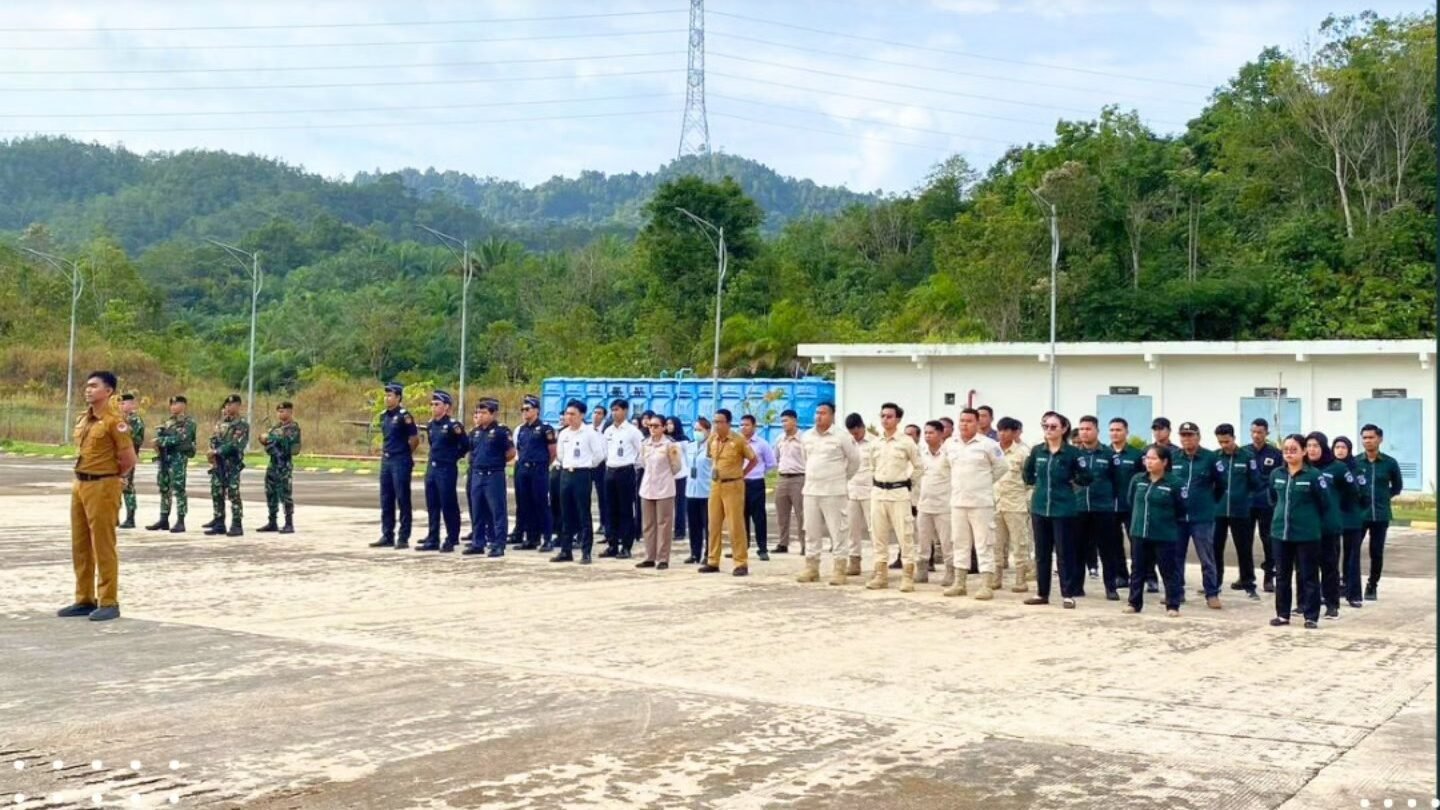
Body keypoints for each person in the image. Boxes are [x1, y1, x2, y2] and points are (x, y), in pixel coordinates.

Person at [57, 371, 138, 622]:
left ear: (108, 391)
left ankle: (109, 600)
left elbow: (129, 459)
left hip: (103, 485)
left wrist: (114, 480)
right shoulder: (85, 419)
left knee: (102, 544)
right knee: (80, 545)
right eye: (87, 386)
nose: (88, 390)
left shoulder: (115, 422)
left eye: (94, 386)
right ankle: (84, 598)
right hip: (80, 484)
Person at [1022, 411, 1093, 609]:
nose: (1049, 430)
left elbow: (1086, 477)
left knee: (1064, 553)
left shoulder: (1072, 453)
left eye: (1053, 427)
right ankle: (1041, 593)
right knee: (1042, 553)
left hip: (1063, 509)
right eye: (1046, 426)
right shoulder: (1038, 451)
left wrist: (1072, 483)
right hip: (1040, 507)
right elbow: (1027, 474)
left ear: (1063, 429)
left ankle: (1068, 594)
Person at [942, 407, 1006, 599]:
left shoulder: (988, 444)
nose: (964, 424)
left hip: (981, 503)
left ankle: (986, 584)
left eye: (969, 421)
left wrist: (983, 483)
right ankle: (959, 583)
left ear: (978, 423)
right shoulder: (950, 444)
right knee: (960, 543)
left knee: (984, 543)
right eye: (962, 420)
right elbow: (946, 468)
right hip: (958, 502)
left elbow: (1002, 467)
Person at [1268, 434, 1331, 629]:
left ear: (1304, 451)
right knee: (1282, 576)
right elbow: (1273, 499)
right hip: (1280, 532)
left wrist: (1309, 520)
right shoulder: (1277, 474)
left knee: (1308, 575)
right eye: (1286, 449)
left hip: (1307, 534)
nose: (1289, 453)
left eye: (1294, 449)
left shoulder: (1313, 475)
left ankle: (1311, 616)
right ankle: (1283, 615)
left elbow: (1324, 503)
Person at [795, 402, 859, 585]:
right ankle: (811, 568)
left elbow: (854, 461)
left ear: (832, 416)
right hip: (811, 491)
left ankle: (839, 569)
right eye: (817, 413)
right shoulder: (807, 436)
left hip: (834, 491)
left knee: (838, 532)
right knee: (811, 530)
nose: (818, 416)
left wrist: (841, 478)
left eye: (823, 413)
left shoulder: (842, 436)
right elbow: (805, 459)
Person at [1122, 444, 1186, 617]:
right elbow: (1130, 501)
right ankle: (1134, 603)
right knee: (1138, 569)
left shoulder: (1175, 483)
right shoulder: (1138, 479)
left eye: (1153, 458)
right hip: (1139, 532)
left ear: (1164, 462)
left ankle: (1173, 604)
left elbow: (1182, 508)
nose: (1148, 462)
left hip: (1164, 534)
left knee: (1168, 570)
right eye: (1146, 459)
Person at [866, 402, 924, 592]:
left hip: (899, 494)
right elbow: (871, 466)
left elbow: (919, 466)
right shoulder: (875, 442)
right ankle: (881, 575)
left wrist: (908, 482)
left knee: (905, 536)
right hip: (878, 494)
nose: (885, 420)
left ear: (898, 419)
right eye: (882, 416)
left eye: (889, 416)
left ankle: (907, 577)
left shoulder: (906, 442)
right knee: (878, 536)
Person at [1173, 422, 1225, 609]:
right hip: (1179, 517)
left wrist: (1208, 503)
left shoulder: (1210, 458)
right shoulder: (1174, 458)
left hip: (1202, 516)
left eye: (1190, 435)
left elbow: (1221, 485)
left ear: (1198, 437)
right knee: (1176, 557)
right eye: (1183, 435)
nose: (1187, 439)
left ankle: (1212, 593)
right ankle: (1177, 593)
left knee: (1207, 557)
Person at [702, 408, 758, 576]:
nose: (716, 425)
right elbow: (710, 457)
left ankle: (740, 562)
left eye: (720, 422)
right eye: (715, 422)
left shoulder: (738, 440)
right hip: (716, 484)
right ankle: (712, 560)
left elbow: (754, 460)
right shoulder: (712, 439)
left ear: (728, 423)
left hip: (733, 485)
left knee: (735, 525)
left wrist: (742, 474)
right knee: (713, 523)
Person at [1305, 431, 1354, 620]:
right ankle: (1305, 604)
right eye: (1308, 446)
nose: (1312, 449)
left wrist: (1336, 510)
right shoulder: (1302, 467)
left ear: (1323, 447)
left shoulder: (1337, 468)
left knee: (1329, 567)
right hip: (1306, 527)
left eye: (1316, 446)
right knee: (1306, 568)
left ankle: (1332, 605)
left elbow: (1352, 493)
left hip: (1328, 526)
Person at [1074, 416, 1123, 600]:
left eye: (1088, 428)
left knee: (1107, 550)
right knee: (1078, 548)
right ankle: (1076, 586)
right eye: (1081, 429)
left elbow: (1118, 482)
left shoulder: (1109, 455)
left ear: (1096, 431)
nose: (1084, 432)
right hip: (1079, 508)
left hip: (1103, 508)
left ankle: (1111, 587)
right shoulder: (1074, 454)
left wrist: (1110, 501)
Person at [552, 400, 606, 564]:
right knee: (566, 513)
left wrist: (587, 465)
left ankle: (586, 551)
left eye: (573, 414)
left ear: (582, 415)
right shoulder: (564, 433)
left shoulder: (589, 433)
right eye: (567, 414)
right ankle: (565, 550)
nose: (569, 417)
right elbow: (560, 454)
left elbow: (599, 455)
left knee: (583, 513)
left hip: (582, 474)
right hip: (566, 474)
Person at [1355, 424, 1404, 601]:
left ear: (1380, 439)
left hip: (1381, 515)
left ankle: (1372, 585)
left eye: (1371, 437)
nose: (1367, 441)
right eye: (1364, 437)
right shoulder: (1355, 462)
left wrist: (1384, 497)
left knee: (1376, 552)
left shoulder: (1389, 463)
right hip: (1359, 515)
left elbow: (1397, 486)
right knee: (1352, 550)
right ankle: (1349, 584)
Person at [1213, 424, 1260, 600]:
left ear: (1233, 438)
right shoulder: (1215, 458)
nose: (1224, 445)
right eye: (1220, 442)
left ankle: (1248, 583)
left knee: (1244, 548)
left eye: (1227, 441)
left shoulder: (1247, 457)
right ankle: (1214, 583)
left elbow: (1256, 482)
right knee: (1215, 548)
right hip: (1218, 510)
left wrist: (1247, 498)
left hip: (1240, 510)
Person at [417, 390, 469, 552]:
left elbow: (465, 445)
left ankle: (452, 538)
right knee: (432, 504)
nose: (433, 407)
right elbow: (433, 444)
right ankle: (433, 537)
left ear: (446, 407)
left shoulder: (454, 426)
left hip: (446, 469)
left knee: (448, 503)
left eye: (437, 404)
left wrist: (454, 456)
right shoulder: (431, 425)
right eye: (432, 404)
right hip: (432, 468)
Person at [372, 383, 420, 549]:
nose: (387, 398)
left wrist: (405, 453)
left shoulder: (404, 416)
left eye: (390, 395)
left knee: (402, 498)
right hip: (386, 460)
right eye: (385, 395)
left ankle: (403, 536)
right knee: (386, 499)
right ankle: (387, 534)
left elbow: (414, 439)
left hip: (400, 460)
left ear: (398, 397)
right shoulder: (383, 416)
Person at [464, 399, 514, 557]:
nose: (480, 415)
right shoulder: (475, 432)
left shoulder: (501, 431)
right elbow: (471, 451)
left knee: (497, 510)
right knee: (477, 510)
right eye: (479, 412)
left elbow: (511, 453)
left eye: (484, 412)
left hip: (494, 474)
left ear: (493, 414)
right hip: (477, 474)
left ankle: (498, 544)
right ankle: (478, 542)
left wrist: (496, 463)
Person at [993, 416, 1034, 593]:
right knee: (995, 543)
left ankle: (1020, 578)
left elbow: (1031, 481)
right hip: (995, 503)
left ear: (1014, 432)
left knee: (1019, 544)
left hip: (1016, 504)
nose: (1002, 434)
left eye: (1006, 430)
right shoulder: (993, 451)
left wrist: (1027, 501)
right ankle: (996, 578)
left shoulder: (1023, 453)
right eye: (1000, 430)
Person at [637, 415, 683, 569]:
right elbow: (643, 463)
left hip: (664, 488)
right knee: (648, 524)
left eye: (656, 426)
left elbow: (676, 466)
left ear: (663, 427)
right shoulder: (645, 444)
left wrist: (664, 477)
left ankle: (662, 558)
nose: (652, 429)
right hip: (647, 487)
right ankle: (649, 556)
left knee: (664, 524)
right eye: (650, 426)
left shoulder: (670, 445)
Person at [1331, 436, 1371, 609]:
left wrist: (1357, 510)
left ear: (1349, 449)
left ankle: (1353, 594)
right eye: (1337, 447)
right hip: (1332, 518)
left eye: (1343, 447)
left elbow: (1364, 494)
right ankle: (1331, 591)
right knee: (1331, 557)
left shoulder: (1357, 470)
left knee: (1352, 557)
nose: (1340, 450)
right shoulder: (1328, 468)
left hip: (1352, 519)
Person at [147, 395, 197, 534]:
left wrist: (160, 441)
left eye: (177, 404)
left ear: (184, 406)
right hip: (165, 458)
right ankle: (164, 518)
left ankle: (181, 520)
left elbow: (181, 439)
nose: (174, 407)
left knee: (179, 488)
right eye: (172, 404)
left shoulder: (188, 422)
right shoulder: (168, 422)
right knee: (164, 487)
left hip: (178, 458)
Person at [1245, 418, 1284, 592]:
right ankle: (1246, 576)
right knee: (1244, 541)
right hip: (1247, 504)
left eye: (1260, 432)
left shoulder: (1276, 454)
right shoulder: (1244, 452)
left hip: (1267, 504)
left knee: (1268, 540)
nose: (1256, 435)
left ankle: (1269, 576)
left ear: (1266, 433)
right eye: (1253, 431)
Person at [514, 395, 557, 551]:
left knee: (541, 503)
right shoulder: (522, 429)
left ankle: (547, 538)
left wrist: (543, 465)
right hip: (524, 469)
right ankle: (532, 538)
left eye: (528, 409)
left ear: (537, 410)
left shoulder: (545, 428)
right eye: (523, 410)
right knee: (526, 504)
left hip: (538, 469)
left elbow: (552, 452)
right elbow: (519, 449)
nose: (524, 412)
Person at [203, 394, 249, 537]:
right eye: (228, 405)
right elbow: (214, 438)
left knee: (233, 493)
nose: (229, 407)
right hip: (218, 463)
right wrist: (211, 452)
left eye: (233, 405)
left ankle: (236, 524)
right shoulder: (221, 424)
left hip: (232, 464)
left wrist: (217, 451)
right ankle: (219, 522)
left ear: (238, 406)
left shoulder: (242, 424)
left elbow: (235, 445)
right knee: (217, 492)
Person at [602, 399, 643, 559]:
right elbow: (605, 451)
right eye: (612, 410)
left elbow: (641, 452)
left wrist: (633, 466)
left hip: (626, 471)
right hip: (610, 470)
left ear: (625, 411)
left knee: (626, 510)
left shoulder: (633, 431)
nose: (614, 413)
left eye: (617, 409)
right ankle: (612, 544)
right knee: (610, 509)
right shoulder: (608, 431)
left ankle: (626, 546)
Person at [914, 420, 952, 588]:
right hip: (924, 504)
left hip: (944, 505)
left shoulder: (949, 452)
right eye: (926, 433)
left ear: (941, 433)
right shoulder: (921, 453)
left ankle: (951, 571)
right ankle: (922, 570)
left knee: (947, 542)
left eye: (931, 432)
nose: (928, 436)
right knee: (922, 540)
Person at [1107, 418, 1141, 591]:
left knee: (1136, 543)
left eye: (1118, 430)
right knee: (1113, 543)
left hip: (1131, 506)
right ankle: (1121, 575)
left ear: (1126, 432)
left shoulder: (1136, 454)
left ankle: (1142, 576)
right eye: (1112, 430)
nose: (1115, 433)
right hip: (1109, 506)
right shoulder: (1104, 453)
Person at [258, 401, 302, 534]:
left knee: (285, 494)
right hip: (273, 464)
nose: (280, 413)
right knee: (270, 493)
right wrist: (264, 440)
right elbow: (267, 442)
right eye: (278, 411)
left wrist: (272, 438)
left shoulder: (293, 428)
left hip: (284, 465)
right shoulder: (276, 427)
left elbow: (290, 445)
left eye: (283, 411)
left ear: (290, 412)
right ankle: (272, 521)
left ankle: (289, 523)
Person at [740, 414, 777, 561]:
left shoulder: (762, 444)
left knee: (759, 517)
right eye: (741, 424)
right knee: (741, 517)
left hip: (756, 483)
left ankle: (762, 549)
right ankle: (742, 547)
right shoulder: (736, 443)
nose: (744, 427)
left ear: (754, 426)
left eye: (747, 424)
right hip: (740, 484)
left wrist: (760, 473)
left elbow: (771, 464)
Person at [773, 409, 806, 555]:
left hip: (799, 478)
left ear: (794, 421)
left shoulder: (804, 439)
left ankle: (805, 545)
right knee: (782, 514)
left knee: (801, 514)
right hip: (783, 478)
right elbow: (777, 458)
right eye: (782, 421)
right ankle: (783, 543)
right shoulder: (780, 439)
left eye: (786, 420)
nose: (783, 424)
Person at [845, 413, 874, 578]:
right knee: (851, 528)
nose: (854, 436)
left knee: (874, 529)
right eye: (851, 433)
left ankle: (879, 562)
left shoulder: (874, 442)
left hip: (870, 490)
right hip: (851, 490)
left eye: (856, 432)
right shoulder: (848, 443)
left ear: (862, 427)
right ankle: (854, 561)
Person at [683, 417, 713, 565]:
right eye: (695, 430)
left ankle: (709, 553)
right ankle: (695, 553)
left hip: (707, 491)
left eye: (700, 430)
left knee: (708, 526)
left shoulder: (712, 447)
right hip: (691, 491)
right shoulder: (690, 447)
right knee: (693, 525)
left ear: (708, 431)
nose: (697, 432)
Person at [117, 393, 145, 529]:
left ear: (133, 405)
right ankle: (114, 516)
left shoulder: (135, 420)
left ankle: (130, 517)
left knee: (127, 486)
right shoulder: (119, 418)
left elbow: (133, 438)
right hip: (117, 457)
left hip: (128, 456)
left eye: (124, 403)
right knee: (115, 486)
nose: (121, 406)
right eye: (120, 403)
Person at [665, 416, 691, 543]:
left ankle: (680, 531)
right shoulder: (664, 440)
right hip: (666, 476)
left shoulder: (683, 440)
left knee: (680, 504)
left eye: (671, 423)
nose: (669, 426)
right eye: (667, 423)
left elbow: (687, 458)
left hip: (681, 475)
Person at [591, 405, 611, 537]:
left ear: (603, 416)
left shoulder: (606, 429)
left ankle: (605, 523)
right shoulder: (588, 429)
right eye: (594, 413)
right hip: (588, 465)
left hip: (602, 465)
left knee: (603, 496)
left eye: (599, 413)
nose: (595, 415)